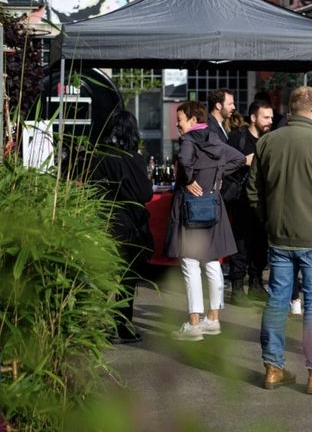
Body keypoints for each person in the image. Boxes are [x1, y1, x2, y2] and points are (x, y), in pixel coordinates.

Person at [247, 86, 312, 394]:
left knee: (277, 302)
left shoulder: (266, 142)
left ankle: (273, 368)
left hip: (279, 237)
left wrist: (270, 220)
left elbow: (252, 192)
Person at [165, 101, 246, 341]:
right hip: (213, 206)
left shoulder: (189, 140)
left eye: (179, 118)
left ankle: (194, 324)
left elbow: (185, 161)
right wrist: (217, 174)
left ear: (191, 120)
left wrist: (189, 179)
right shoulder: (213, 138)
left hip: (190, 208)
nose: (177, 124)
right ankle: (213, 319)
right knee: (212, 263)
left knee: (190, 264)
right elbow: (239, 158)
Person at [90, 111, 153, 344]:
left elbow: (92, 190)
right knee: (126, 279)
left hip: (103, 222)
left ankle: (93, 326)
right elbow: (146, 193)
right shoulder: (134, 159)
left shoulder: (100, 156)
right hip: (129, 226)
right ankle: (122, 326)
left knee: (100, 277)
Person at [225, 100, 273, 305]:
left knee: (260, 244)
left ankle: (256, 283)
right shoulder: (238, 137)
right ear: (253, 118)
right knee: (241, 243)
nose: (269, 121)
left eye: (271, 117)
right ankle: (237, 288)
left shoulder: (270, 140)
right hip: (241, 200)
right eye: (265, 117)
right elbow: (225, 162)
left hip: (264, 201)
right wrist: (245, 160)